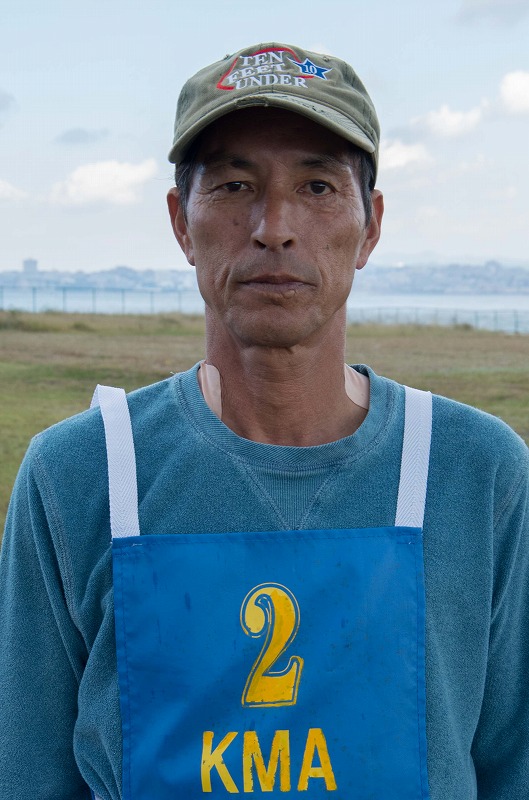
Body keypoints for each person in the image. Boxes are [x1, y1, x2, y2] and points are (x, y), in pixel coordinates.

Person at [0, 42, 528, 800]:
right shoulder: (78, 474)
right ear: (181, 222)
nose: (274, 226)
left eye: (317, 186)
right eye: (234, 184)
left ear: (370, 225)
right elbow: (26, 772)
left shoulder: (476, 472)